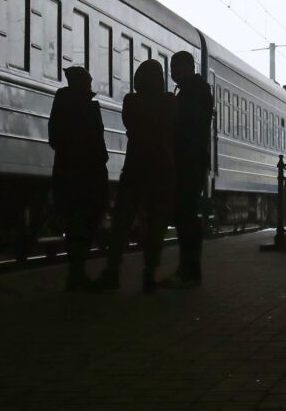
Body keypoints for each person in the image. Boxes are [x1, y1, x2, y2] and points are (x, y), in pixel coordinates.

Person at [94, 58, 175, 293]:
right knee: (156, 224)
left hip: (135, 166)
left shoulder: (131, 101)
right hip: (162, 167)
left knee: (122, 221)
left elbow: (130, 125)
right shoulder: (170, 102)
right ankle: (149, 275)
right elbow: (174, 129)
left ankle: (112, 271)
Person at [47, 66, 110, 290]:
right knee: (86, 221)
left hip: (65, 173)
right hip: (89, 175)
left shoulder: (61, 104)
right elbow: (98, 142)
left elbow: (54, 137)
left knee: (73, 223)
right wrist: (101, 163)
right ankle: (78, 273)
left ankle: (76, 273)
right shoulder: (91, 108)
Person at [168, 51, 215, 285]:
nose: (172, 73)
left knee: (185, 215)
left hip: (189, 159)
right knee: (185, 214)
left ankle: (189, 270)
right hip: (191, 159)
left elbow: (187, 124)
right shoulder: (195, 90)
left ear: (188, 67)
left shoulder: (194, 92)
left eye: (175, 67)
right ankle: (188, 269)